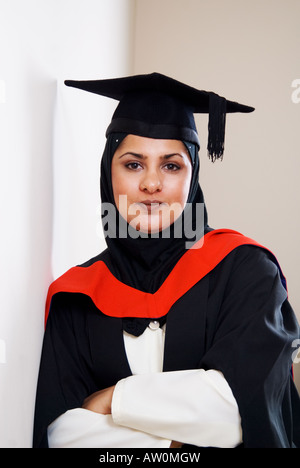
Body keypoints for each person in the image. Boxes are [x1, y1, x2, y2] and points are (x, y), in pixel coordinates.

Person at [33, 72, 300, 448]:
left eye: (171, 166)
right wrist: (175, 444)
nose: (152, 184)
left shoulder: (245, 272)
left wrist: (115, 399)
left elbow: (241, 410)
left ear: (192, 178)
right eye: (133, 164)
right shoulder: (78, 295)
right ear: (108, 173)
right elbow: (61, 433)